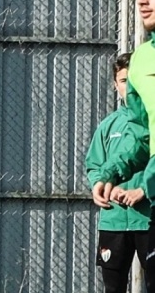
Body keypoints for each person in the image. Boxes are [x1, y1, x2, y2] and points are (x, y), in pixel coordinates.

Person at [86, 52, 149, 293]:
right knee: (113, 288)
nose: (129, 87)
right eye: (123, 81)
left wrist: (142, 189)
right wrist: (100, 185)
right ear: (115, 85)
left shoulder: (151, 119)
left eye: (133, 80)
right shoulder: (108, 125)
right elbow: (94, 165)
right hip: (114, 220)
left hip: (147, 220)